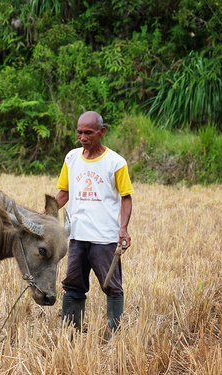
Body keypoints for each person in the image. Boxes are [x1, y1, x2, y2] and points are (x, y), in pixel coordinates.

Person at [54, 111, 134, 336]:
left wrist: (123, 228)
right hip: (77, 236)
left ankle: (115, 337)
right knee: (73, 286)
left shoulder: (115, 162)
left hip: (105, 238)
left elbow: (126, 196)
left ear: (102, 132)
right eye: (79, 132)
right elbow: (64, 193)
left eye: (88, 132)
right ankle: (71, 334)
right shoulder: (71, 158)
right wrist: (44, 214)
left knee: (112, 287)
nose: (83, 137)